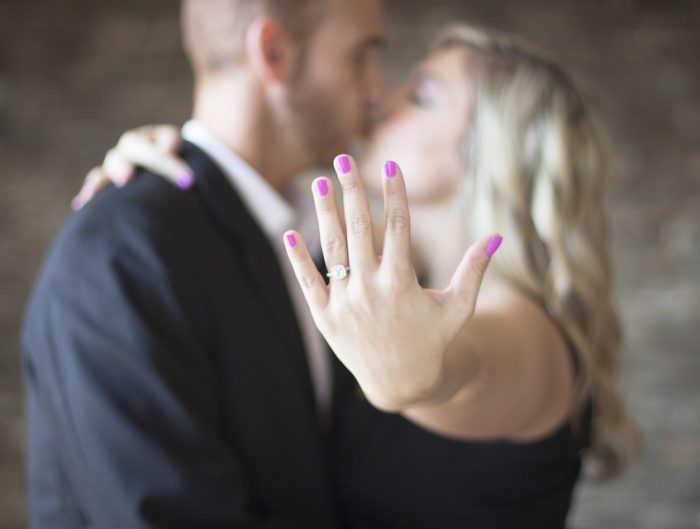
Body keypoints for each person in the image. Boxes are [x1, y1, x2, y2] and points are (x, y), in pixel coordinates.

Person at [80, 24, 640, 529]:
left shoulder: (526, 334)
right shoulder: (367, 279)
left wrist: (416, 378)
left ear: (489, 153)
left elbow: (465, 365)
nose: (380, 99)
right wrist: (173, 162)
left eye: (420, 96)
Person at [22, 1, 405, 527]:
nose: (378, 89)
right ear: (273, 52)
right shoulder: (118, 254)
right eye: (361, 56)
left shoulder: (319, 238)